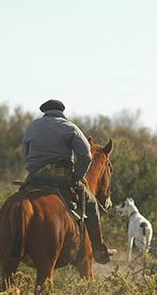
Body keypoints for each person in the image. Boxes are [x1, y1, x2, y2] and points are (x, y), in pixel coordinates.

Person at [22, 99, 106, 253]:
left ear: (45, 111)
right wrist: (75, 177)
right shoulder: (70, 128)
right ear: (61, 112)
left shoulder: (32, 127)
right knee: (92, 204)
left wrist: (33, 170)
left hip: (35, 177)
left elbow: (25, 154)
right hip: (61, 179)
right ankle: (99, 249)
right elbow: (86, 157)